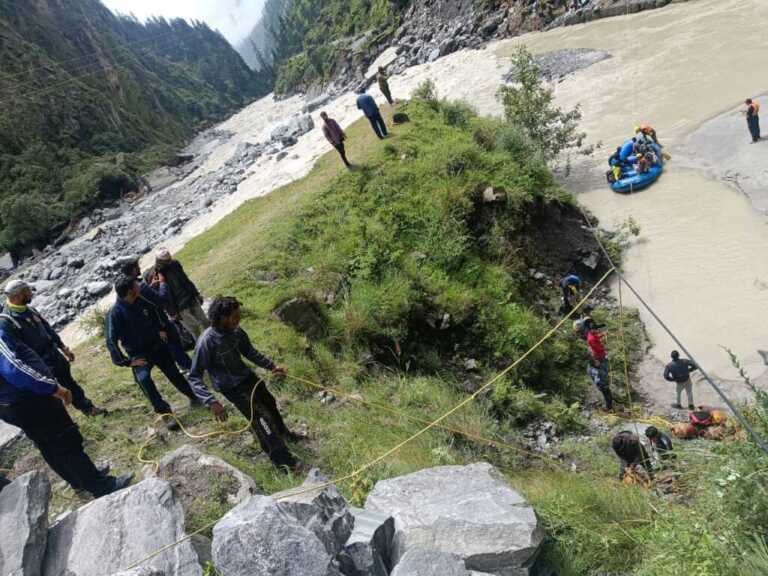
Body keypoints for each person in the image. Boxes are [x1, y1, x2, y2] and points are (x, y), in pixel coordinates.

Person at [0, 325, 132, 497]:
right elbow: (15, 369)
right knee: (66, 439)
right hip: (30, 400)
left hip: (11, 405)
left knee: (48, 444)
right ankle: (102, 487)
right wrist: (53, 388)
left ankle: (79, 482)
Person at [187, 297, 303, 472]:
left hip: (247, 377)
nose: (238, 319)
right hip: (231, 387)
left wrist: (271, 366)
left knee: (270, 404)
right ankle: (285, 463)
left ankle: (285, 434)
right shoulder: (206, 342)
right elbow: (194, 376)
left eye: (238, 315)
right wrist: (211, 402)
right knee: (260, 420)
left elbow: (249, 351)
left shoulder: (236, 331)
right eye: (234, 316)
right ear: (221, 318)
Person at [106, 276, 201, 430]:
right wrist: (127, 362)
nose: (139, 285)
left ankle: (194, 396)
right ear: (130, 291)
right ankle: (166, 414)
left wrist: (161, 328)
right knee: (144, 380)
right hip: (138, 355)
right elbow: (111, 341)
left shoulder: (140, 299)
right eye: (136, 284)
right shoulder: (115, 314)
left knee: (174, 373)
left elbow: (156, 311)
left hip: (157, 346)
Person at [0, 280, 105, 417]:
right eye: (28, 291)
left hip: (54, 356)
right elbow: (15, 353)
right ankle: (66, 425)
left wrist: (63, 347)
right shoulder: (6, 322)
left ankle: (89, 409)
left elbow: (48, 329)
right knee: (51, 396)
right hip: (41, 365)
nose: (31, 293)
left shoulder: (30, 309)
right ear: (18, 296)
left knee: (70, 385)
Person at [120, 258, 193, 372]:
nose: (139, 268)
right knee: (174, 346)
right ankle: (190, 369)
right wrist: (163, 282)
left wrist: (151, 287)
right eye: (137, 267)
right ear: (134, 270)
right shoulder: (140, 287)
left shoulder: (126, 290)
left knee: (171, 347)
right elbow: (161, 300)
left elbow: (144, 301)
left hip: (149, 327)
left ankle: (184, 366)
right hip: (160, 322)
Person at [154, 249, 208, 338]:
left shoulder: (175, 264)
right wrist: (172, 313)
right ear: (160, 261)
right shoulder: (156, 275)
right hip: (179, 307)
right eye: (166, 261)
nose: (169, 261)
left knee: (205, 321)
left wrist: (196, 294)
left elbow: (185, 279)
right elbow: (162, 297)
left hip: (190, 298)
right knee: (194, 329)